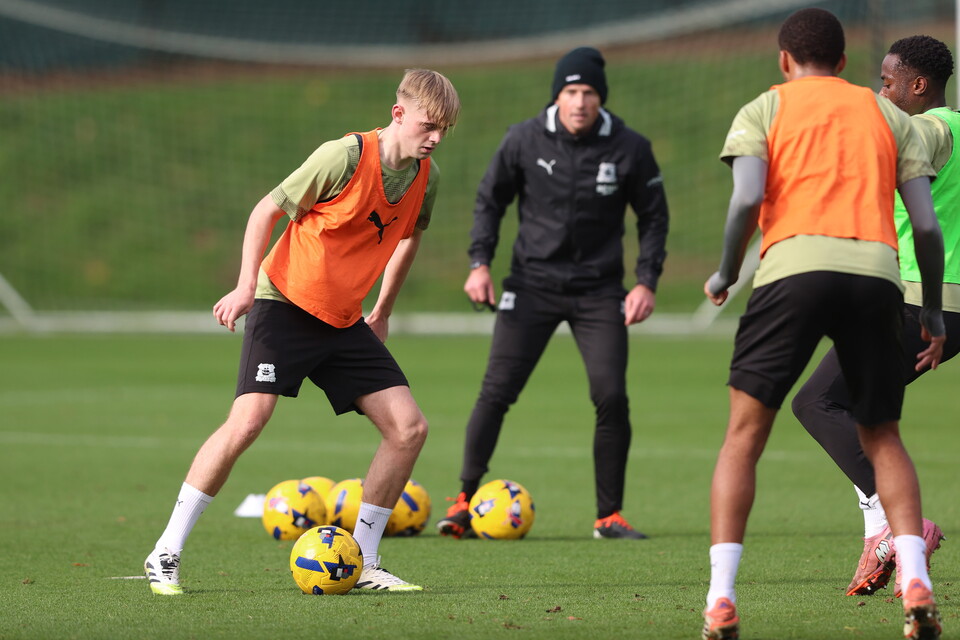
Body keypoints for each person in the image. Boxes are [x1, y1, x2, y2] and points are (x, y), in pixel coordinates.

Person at [143, 69, 461, 595]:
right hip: (285, 303)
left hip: (344, 320)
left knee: (408, 429)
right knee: (247, 422)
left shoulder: (428, 177)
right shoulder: (344, 156)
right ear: (398, 113)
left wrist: (382, 311)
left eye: (444, 129)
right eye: (429, 125)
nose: (435, 138)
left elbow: (407, 241)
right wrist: (245, 286)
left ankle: (364, 561)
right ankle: (166, 552)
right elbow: (264, 211)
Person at [701, 10, 945, 640]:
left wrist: (726, 272)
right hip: (877, 276)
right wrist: (936, 309)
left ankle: (721, 598)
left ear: (786, 60)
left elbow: (746, 199)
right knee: (882, 434)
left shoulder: (764, 108)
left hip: (792, 271)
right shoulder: (890, 116)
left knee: (743, 437)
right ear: (843, 61)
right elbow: (924, 225)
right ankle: (915, 580)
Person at [435, 46, 669, 540]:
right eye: (570, 92)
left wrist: (646, 280)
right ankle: (463, 499)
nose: (579, 101)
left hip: (600, 292)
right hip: (531, 285)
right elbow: (489, 201)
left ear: (600, 97)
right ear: (557, 95)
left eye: (588, 93)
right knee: (496, 391)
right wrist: (479, 264)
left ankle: (609, 516)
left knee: (611, 396)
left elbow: (654, 218)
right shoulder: (522, 138)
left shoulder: (630, 146)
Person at [793, 34, 958, 599]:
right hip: (923, 299)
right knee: (867, 417)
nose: (879, 89)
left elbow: (902, 136)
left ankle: (901, 526)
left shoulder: (935, 129)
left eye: (888, 82)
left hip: (921, 302)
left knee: (818, 402)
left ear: (918, 85)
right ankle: (880, 538)